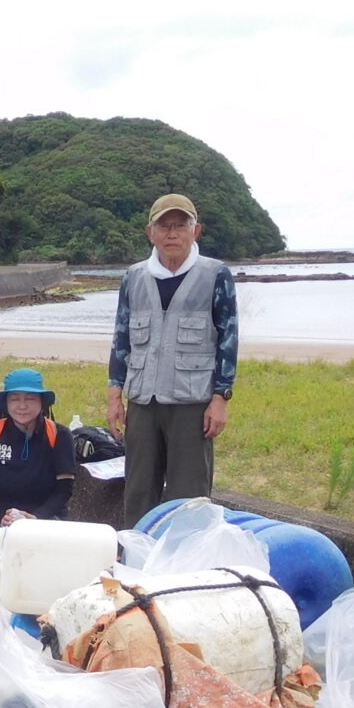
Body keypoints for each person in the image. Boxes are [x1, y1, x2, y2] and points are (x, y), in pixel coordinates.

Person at [105, 193, 238, 529]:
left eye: (181, 225)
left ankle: (184, 561)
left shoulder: (215, 274)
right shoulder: (134, 277)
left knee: (189, 495)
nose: (172, 233)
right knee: (138, 490)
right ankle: (136, 558)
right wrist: (114, 395)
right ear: (151, 232)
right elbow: (121, 337)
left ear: (196, 231)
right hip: (143, 400)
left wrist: (220, 397)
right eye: (164, 226)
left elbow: (229, 337)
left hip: (192, 402)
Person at [0, 368, 78, 528]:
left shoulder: (60, 435)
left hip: (45, 519)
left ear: (42, 401)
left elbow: (64, 489)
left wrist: (36, 518)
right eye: (14, 399)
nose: (22, 406)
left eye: (30, 398)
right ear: (5, 403)